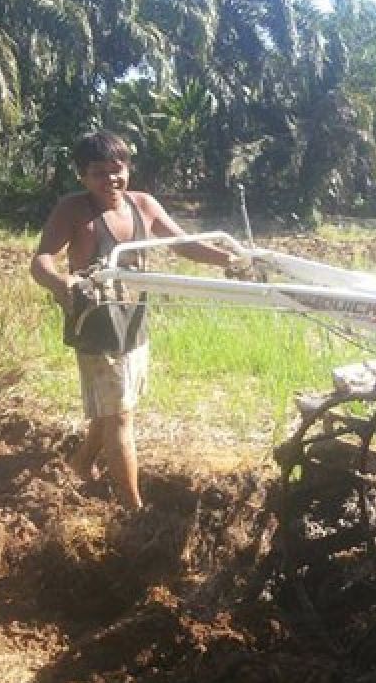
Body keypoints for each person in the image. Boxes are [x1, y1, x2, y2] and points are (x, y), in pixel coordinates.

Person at [30, 130, 240, 510]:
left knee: (114, 408)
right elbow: (41, 260)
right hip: (97, 328)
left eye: (117, 169)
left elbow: (182, 244)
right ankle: (134, 510)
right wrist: (62, 284)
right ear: (82, 176)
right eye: (97, 172)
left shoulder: (143, 205)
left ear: (127, 167)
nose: (110, 179)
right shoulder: (74, 211)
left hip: (134, 326)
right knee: (121, 419)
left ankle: (79, 465)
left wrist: (229, 260)